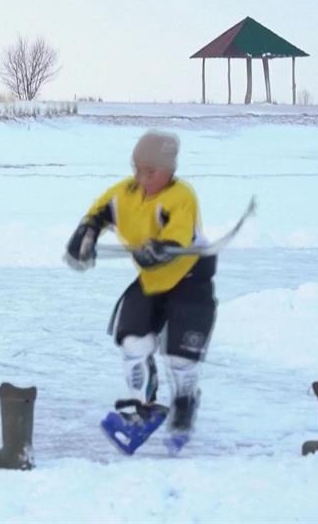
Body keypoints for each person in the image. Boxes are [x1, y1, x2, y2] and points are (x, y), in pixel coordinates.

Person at [63, 130, 216, 455]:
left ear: (169, 171)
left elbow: (179, 235)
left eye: (151, 171)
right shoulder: (123, 194)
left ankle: (185, 403)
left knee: (178, 357)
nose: (142, 177)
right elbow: (96, 216)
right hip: (151, 282)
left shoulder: (181, 196)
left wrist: (162, 248)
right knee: (133, 342)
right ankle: (143, 408)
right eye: (138, 168)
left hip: (190, 278)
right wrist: (84, 237)